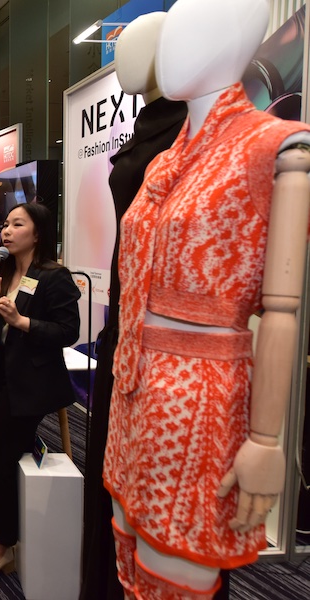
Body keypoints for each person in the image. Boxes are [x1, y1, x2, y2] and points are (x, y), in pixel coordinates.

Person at [103, 1, 310, 597]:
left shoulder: (275, 146)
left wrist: (267, 441)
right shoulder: (167, 160)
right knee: (130, 559)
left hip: (200, 394)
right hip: (134, 387)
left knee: (176, 574)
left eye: (191, 30)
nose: (170, 46)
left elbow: (283, 309)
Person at [78, 13, 189, 600]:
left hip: (168, 328)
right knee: (113, 486)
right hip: (125, 316)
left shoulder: (192, 129)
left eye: (137, 42)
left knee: (155, 497)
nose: (121, 53)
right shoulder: (150, 126)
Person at [0, 202, 80, 582]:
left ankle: (0, 544)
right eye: (6, 225)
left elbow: (68, 332)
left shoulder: (54, 276)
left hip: (32, 382)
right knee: (10, 458)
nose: (7, 231)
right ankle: (22, 531)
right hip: (3, 377)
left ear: (38, 233)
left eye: (17, 224)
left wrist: (23, 321)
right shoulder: (5, 270)